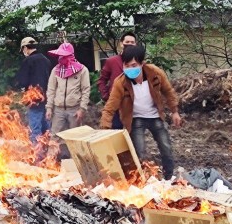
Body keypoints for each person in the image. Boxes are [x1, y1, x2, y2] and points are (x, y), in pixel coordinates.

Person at [99, 45, 182, 180]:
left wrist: (174, 111)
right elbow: (110, 107)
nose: (130, 69)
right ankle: (141, 179)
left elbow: (168, 91)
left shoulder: (155, 73)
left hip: (155, 116)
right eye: (126, 66)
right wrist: (104, 129)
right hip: (135, 118)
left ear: (142, 63)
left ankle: (169, 177)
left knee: (165, 146)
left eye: (133, 65)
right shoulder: (120, 82)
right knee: (139, 152)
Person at [45, 42, 90, 155]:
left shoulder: (82, 70)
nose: (61, 58)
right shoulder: (55, 70)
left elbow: (85, 90)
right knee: (54, 136)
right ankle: (50, 159)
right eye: (60, 55)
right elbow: (51, 90)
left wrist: (82, 109)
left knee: (76, 137)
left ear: (70, 56)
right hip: (58, 109)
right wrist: (49, 108)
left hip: (74, 109)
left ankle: (77, 161)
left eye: (63, 56)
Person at [15, 36, 53, 144]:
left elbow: (22, 81)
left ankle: (37, 151)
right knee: (46, 127)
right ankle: (48, 149)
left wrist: (21, 90)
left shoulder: (28, 61)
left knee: (35, 127)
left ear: (25, 48)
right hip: (47, 97)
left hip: (34, 98)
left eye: (23, 49)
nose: (23, 52)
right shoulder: (46, 60)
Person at [97, 31, 137, 129]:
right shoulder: (112, 61)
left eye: (132, 42)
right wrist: (106, 96)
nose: (129, 44)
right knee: (116, 132)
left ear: (135, 44)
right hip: (116, 105)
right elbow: (102, 80)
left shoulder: (138, 63)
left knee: (134, 132)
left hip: (134, 105)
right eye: (127, 42)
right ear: (121, 43)